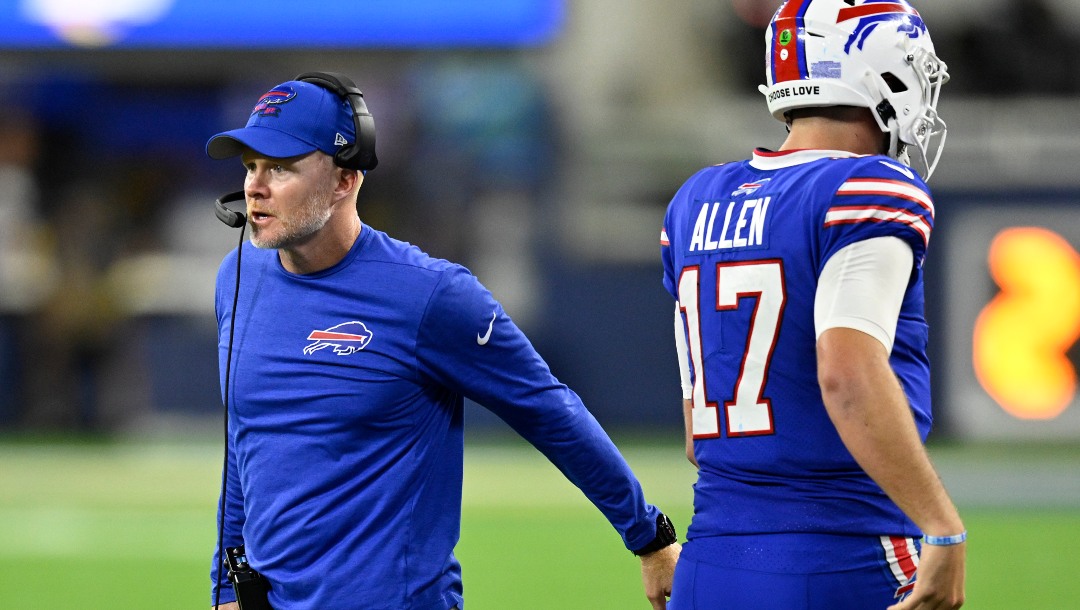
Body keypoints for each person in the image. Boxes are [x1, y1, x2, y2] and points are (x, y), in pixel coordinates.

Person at [203, 72, 680, 610]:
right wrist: (226, 583)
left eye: (281, 167)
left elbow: (549, 411)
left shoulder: (430, 295)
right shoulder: (238, 278)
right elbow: (243, 443)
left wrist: (649, 536)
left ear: (345, 180)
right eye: (250, 166)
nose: (254, 187)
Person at [660, 1, 964, 609]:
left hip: (709, 561)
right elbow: (847, 375)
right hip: (841, 553)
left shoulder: (697, 200)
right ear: (883, 74)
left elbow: (699, 434)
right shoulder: (867, 187)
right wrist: (942, 527)